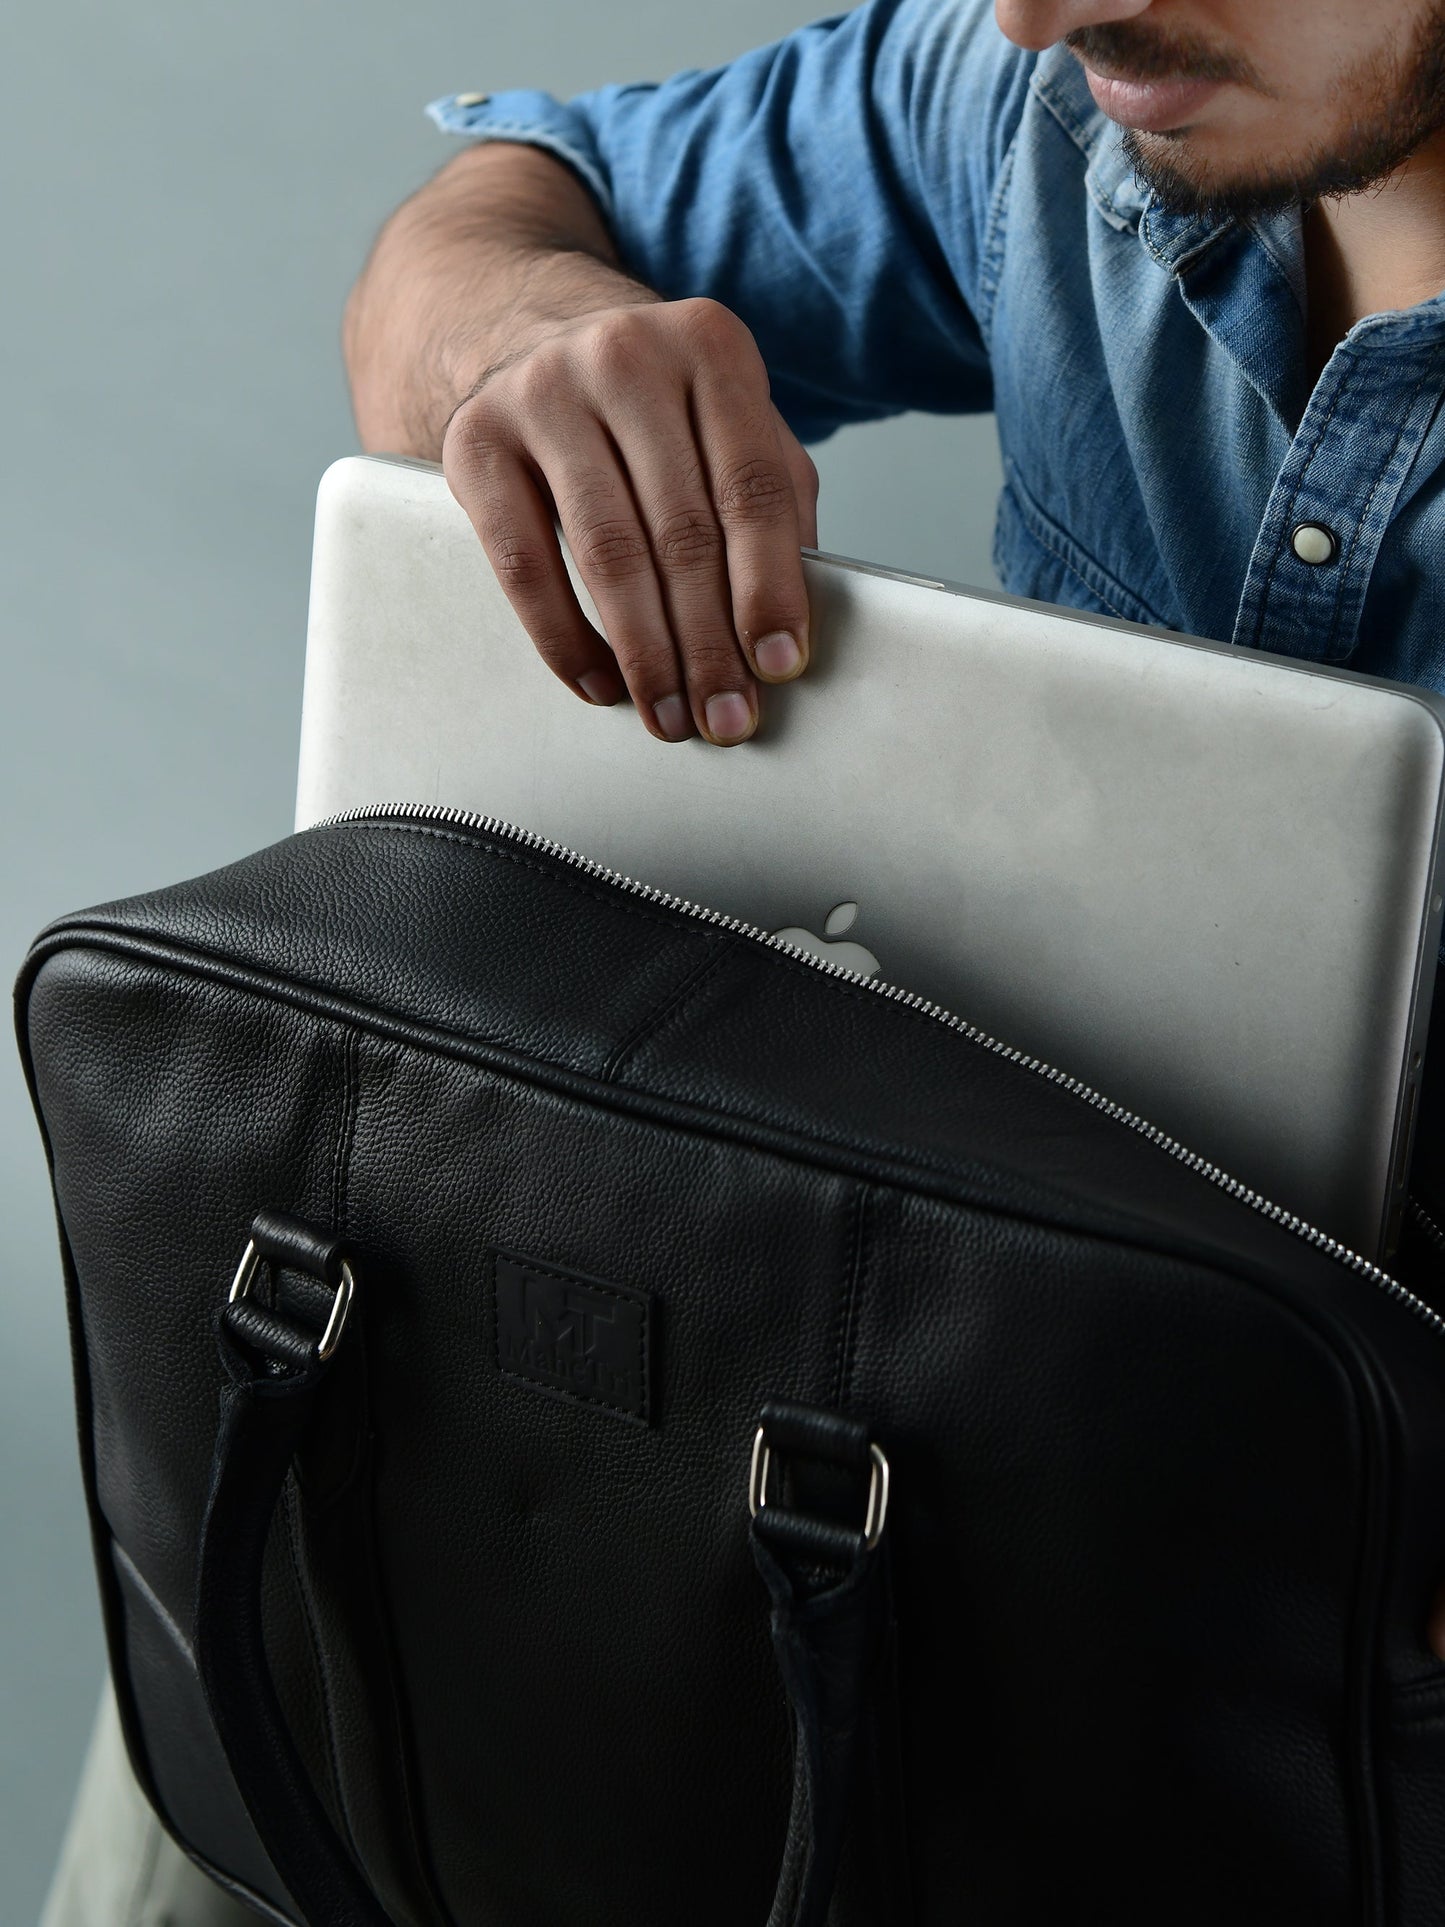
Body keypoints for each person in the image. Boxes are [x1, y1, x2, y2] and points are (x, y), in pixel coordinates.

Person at [43, 0, 1445, 1918]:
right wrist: (515, 346)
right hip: (958, 1397)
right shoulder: (1039, 96)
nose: (1036, 12)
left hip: (1303, 1619)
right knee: (310, 1576)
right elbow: (516, 200)